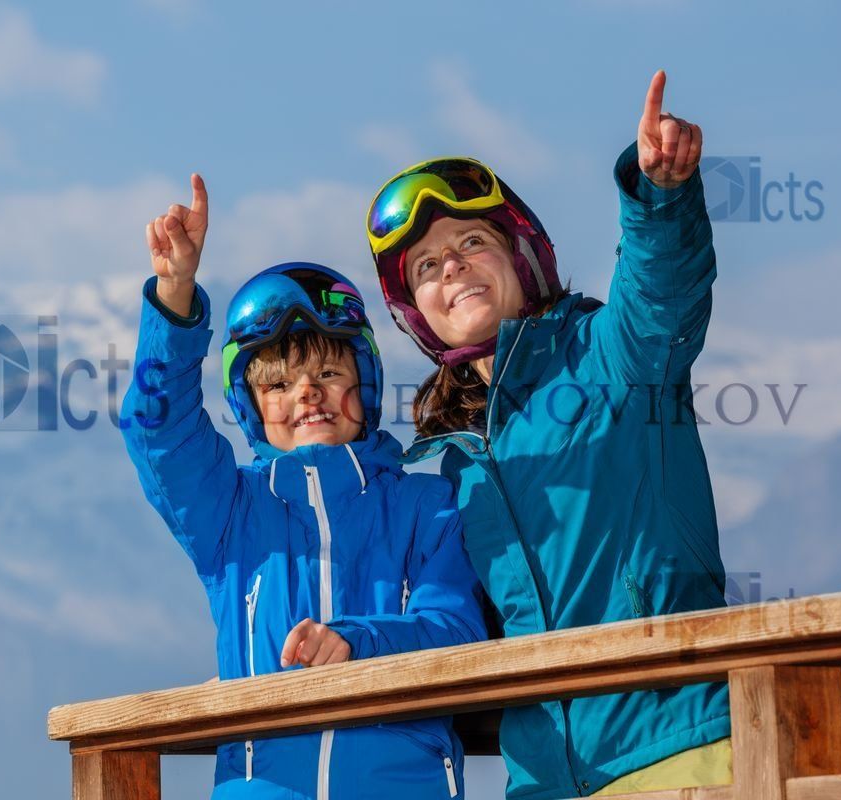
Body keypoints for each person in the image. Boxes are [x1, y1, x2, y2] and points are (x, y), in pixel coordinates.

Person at [364, 71, 731, 798]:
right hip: (541, 780)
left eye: (472, 241)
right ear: (418, 314)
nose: (454, 268)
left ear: (522, 258)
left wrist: (661, 198)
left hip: (675, 744)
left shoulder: (613, 358)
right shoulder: (448, 463)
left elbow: (662, 291)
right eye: (429, 267)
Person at [121, 174, 487, 799]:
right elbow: (159, 429)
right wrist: (174, 294)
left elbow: (456, 635)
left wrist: (355, 643)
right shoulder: (230, 515)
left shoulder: (428, 508)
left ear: (364, 384)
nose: (307, 394)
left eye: (327, 371)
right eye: (278, 385)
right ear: (251, 407)